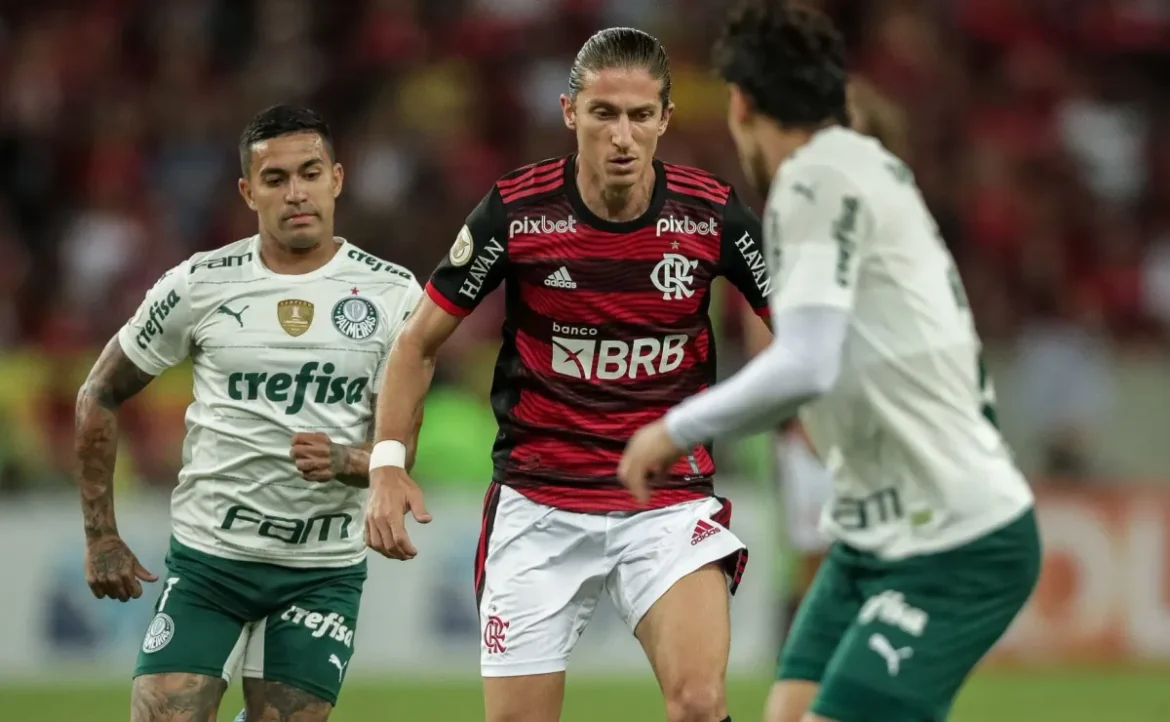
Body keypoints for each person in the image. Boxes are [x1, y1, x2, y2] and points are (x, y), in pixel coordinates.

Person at [618, 3, 1041, 722]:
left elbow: (807, 362)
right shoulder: (867, 163)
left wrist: (674, 427)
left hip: (955, 541)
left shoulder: (812, 182)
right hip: (872, 532)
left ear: (742, 103)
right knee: (786, 712)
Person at [364, 26, 771, 722]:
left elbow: (800, 335)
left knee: (701, 702)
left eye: (640, 116)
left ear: (665, 119)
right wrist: (387, 463)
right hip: (540, 505)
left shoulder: (712, 216)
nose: (622, 136)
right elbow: (416, 344)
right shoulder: (517, 214)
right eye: (603, 114)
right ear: (569, 112)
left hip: (665, 503)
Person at [74, 104, 422, 722]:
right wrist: (101, 535)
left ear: (337, 179)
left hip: (321, 570)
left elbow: (396, 454)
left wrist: (347, 460)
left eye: (310, 173)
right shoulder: (198, 284)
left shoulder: (394, 295)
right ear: (248, 192)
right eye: (275, 179)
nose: (296, 193)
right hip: (211, 563)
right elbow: (98, 391)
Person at [733, 76, 912, 646]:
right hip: (810, 428)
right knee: (819, 574)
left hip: (878, 421)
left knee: (881, 573)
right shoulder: (784, 223)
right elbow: (764, 332)